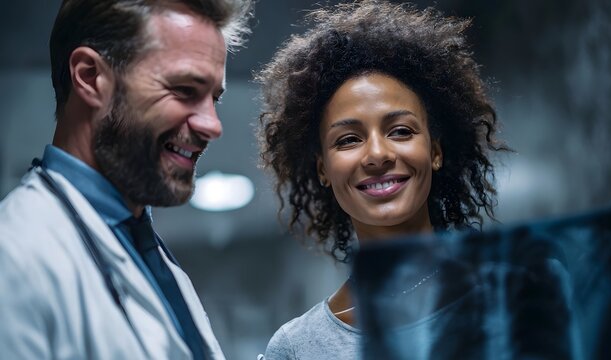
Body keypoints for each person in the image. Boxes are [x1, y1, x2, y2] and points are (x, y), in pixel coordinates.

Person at [255, 0, 507, 358]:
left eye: (401, 131)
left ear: (435, 152)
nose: (377, 154)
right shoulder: (298, 348)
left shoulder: (518, 291)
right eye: (348, 139)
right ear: (323, 169)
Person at [0, 0, 251, 359]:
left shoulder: (153, 259)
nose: (212, 125)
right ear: (90, 77)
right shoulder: (14, 256)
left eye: (214, 98)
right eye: (184, 89)